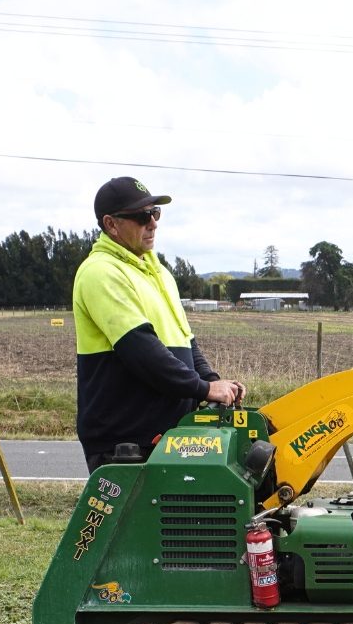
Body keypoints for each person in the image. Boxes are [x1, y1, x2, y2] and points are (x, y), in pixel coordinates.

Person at [72, 176, 246, 471]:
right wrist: (203, 389)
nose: (152, 223)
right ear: (111, 224)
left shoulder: (158, 273)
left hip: (170, 433)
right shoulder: (101, 272)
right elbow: (141, 351)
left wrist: (211, 378)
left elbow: (185, 340)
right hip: (126, 441)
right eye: (142, 216)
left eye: (155, 213)